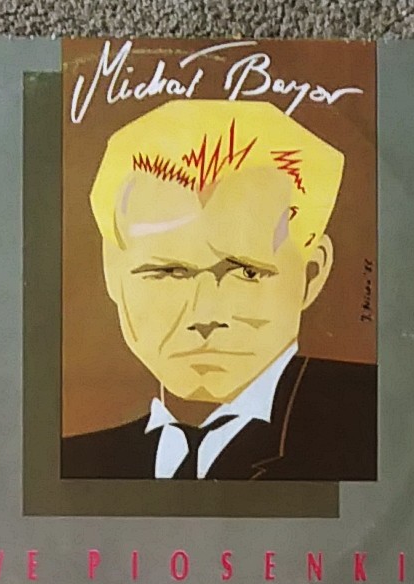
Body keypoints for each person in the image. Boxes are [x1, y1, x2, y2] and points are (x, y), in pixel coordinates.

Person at [61, 99, 375, 482]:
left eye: (246, 272)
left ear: (312, 273)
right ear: (112, 271)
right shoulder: (76, 464)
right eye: (169, 272)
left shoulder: (372, 438)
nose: (204, 315)